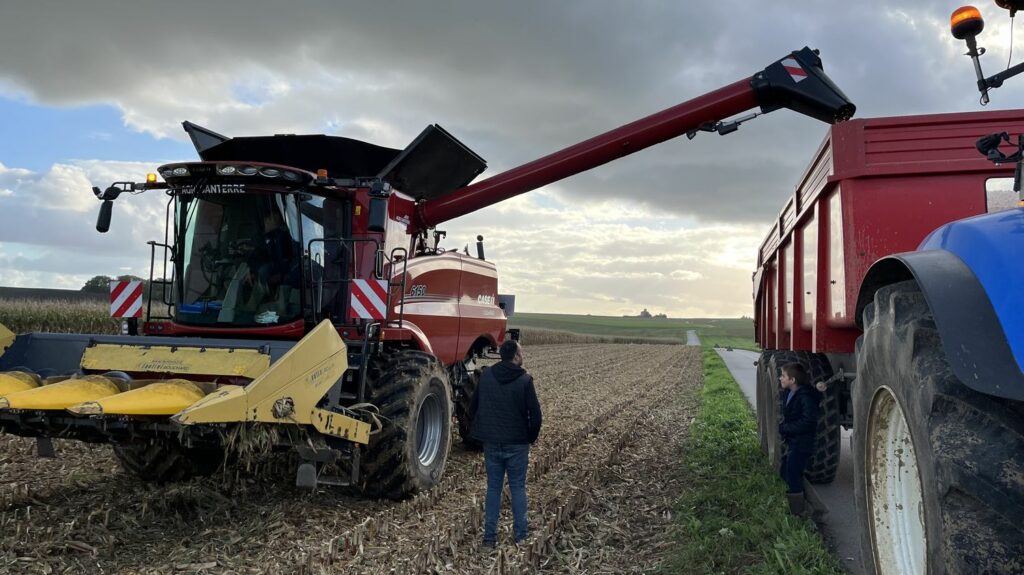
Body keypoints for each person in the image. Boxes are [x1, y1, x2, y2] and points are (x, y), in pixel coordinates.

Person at [469, 340, 542, 548]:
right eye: (522, 353)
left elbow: (472, 408)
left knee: (493, 488)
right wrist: (530, 437)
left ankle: (489, 538)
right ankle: (521, 536)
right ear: (516, 357)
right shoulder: (525, 381)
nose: (523, 356)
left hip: (491, 443)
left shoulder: (486, 377)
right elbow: (536, 416)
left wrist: (483, 431)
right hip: (517, 443)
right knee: (517, 487)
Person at [778, 361, 820, 517]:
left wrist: (786, 428)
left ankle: (798, 512)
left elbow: (809, 421)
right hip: (794, 441)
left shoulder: (806, 396)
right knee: (786, 471)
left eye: (783, 376)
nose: (780, 379)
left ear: (792, 380)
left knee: (792, 473)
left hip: (802, 443)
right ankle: (814, 506)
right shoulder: (790, 393)